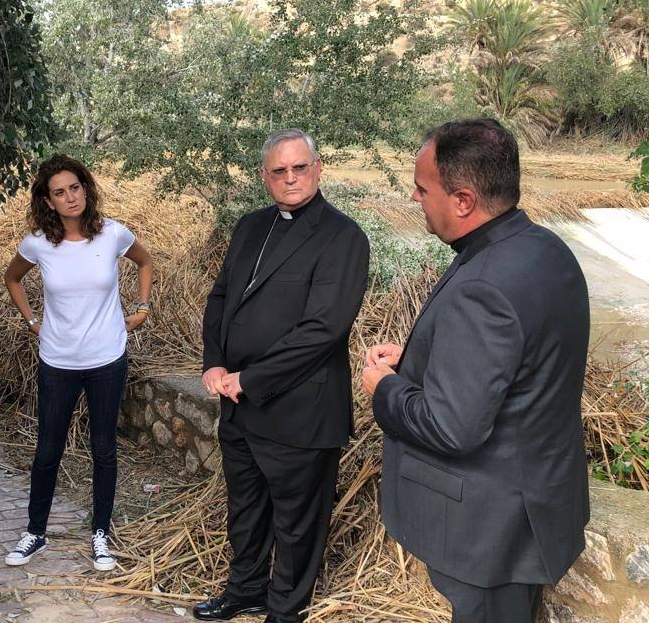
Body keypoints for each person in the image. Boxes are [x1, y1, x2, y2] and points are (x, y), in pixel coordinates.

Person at [362, 118, 590, 623]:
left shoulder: (482, 281)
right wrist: (426, 358)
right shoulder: (546, 250)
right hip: (536, 504)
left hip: (490, 529)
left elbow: (452, 426)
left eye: (423, 189)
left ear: (463, 200)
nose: (415, 199)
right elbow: (525, 363)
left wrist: (386, 388)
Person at [194, 129, 369, 623]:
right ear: (263, 177)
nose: (290, 178)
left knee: (297, 522)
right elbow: (221, 298)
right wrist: (214, 362)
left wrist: (250, 379)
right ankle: (246, 590)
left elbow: (323, 330)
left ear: (318, 169)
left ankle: (285, 611)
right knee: (245, 509)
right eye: (279, 170)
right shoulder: (250, 226)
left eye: (299, 168)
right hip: (239, 405)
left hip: (300, 409)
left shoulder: (343, 237)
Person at [3, 154, 154, 572]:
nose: (70, 197)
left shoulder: (113, 233)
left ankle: (100, 533)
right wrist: (33, 320)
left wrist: (142, 306)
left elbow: (145, 261)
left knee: (103, 449)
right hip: (58, 360)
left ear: (86, 188)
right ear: (48, 202)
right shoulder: (37, 243)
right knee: (48, 450)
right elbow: (12, 278)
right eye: (59, 192)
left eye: (75, 187)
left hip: (107, 358)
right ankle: (35, 532)